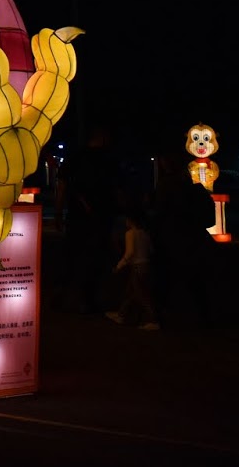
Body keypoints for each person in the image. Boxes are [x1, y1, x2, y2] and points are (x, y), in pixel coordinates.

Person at [57, 125, 123, 314]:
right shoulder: (109, 160)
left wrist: (59, 212)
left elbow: (62, 185)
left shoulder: (75, 158)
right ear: (102, 137)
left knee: (75, 256)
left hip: (78, 217)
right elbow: (117, 190)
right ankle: (89, 299)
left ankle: (70, 297)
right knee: (97, 258)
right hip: (102, 216)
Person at [151, 151, 219, 327]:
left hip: (172, 238)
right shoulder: (194, 187)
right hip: (193, 238)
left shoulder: (166, 185)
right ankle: (205, 316)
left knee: (167, 278)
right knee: (195, 279)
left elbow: (160, 212)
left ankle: (161, 315)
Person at [107, 210, 160, 330]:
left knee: (141, 295)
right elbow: (151, 250)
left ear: (131, 221)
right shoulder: (145, 233)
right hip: (145, 266)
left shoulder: (130, 234)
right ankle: (122, 314)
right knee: (130, 291)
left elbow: (130, 253)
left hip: (136, 267)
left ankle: (153, 320)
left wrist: (118, 266)